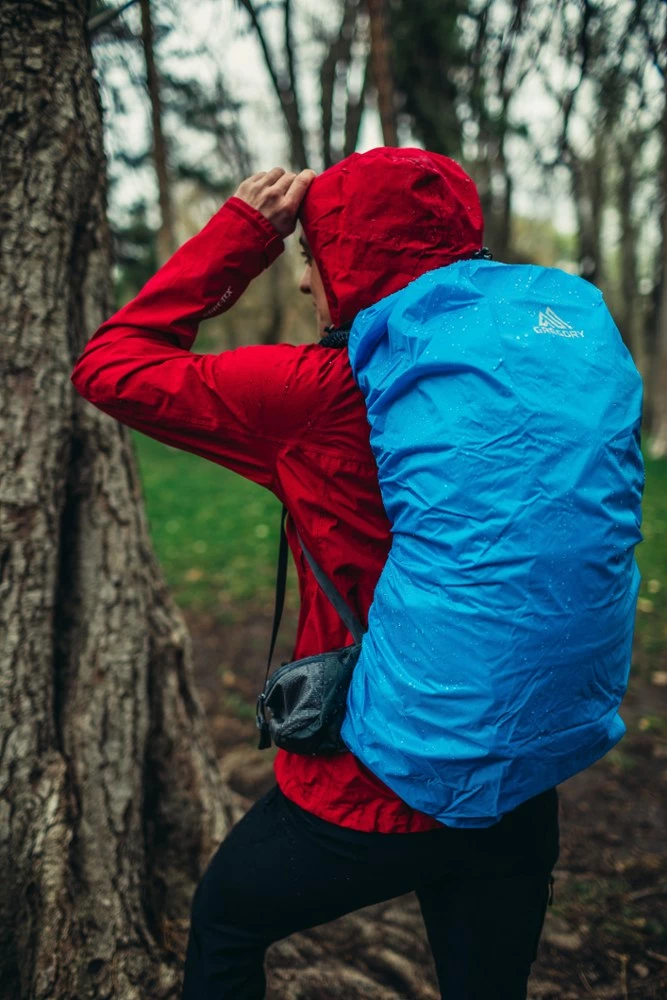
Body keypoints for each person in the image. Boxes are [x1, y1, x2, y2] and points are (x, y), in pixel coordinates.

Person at [71, 147, 559, 1000]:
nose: (302, 283)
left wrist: (242, 234)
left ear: (354, 261)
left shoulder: (319, 393)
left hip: (374, 780)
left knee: (223, 927)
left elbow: (111, 365)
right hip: (519, 770)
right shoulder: (533, 380)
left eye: (312, 258)